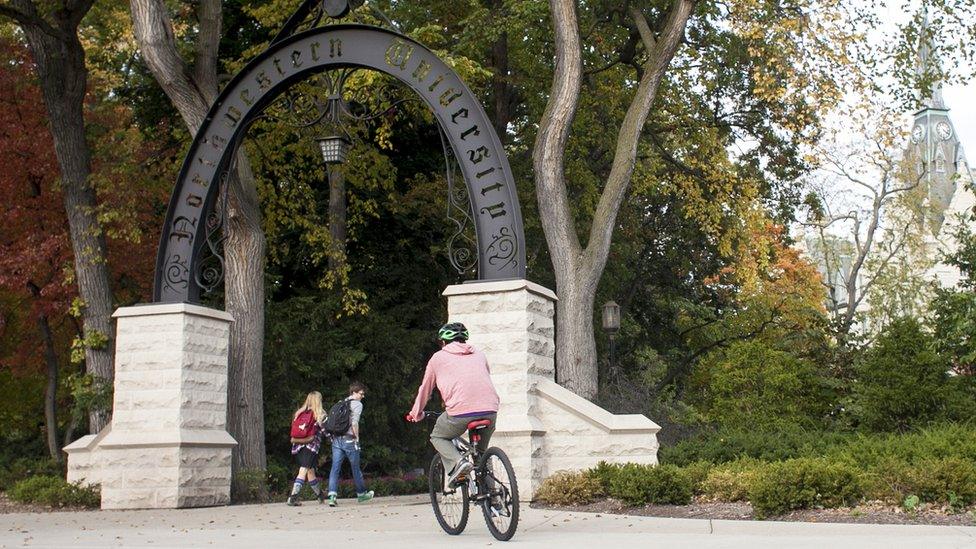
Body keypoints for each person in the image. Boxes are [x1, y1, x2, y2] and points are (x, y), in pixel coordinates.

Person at [406, 322, 499, 485]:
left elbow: (425, 389)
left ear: (443, 341)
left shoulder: (438, 358)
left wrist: (416, 413)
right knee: (482, 456)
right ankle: (496, 503)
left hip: (460, 412)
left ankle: (459, 462)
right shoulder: (479, 354)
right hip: (490, 410)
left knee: (438, 436)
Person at [326, 381, 374, 506]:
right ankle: (362, 494)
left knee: (335, 468)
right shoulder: (357, 404)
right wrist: (356, 438)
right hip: (349, 440)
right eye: (361, 394)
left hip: (336, 440)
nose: (362, 396)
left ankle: (332, 496)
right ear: (354, 392)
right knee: (356, 468)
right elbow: (354, 423)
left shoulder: (341, 403)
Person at [287, 391, 327, 506]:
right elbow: (325, 431)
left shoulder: (299, 413)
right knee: (303, 470)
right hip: (311, 446)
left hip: (297, 445)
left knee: (310, 472)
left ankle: (320, 496)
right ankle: (293, 497)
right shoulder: (319, 413)